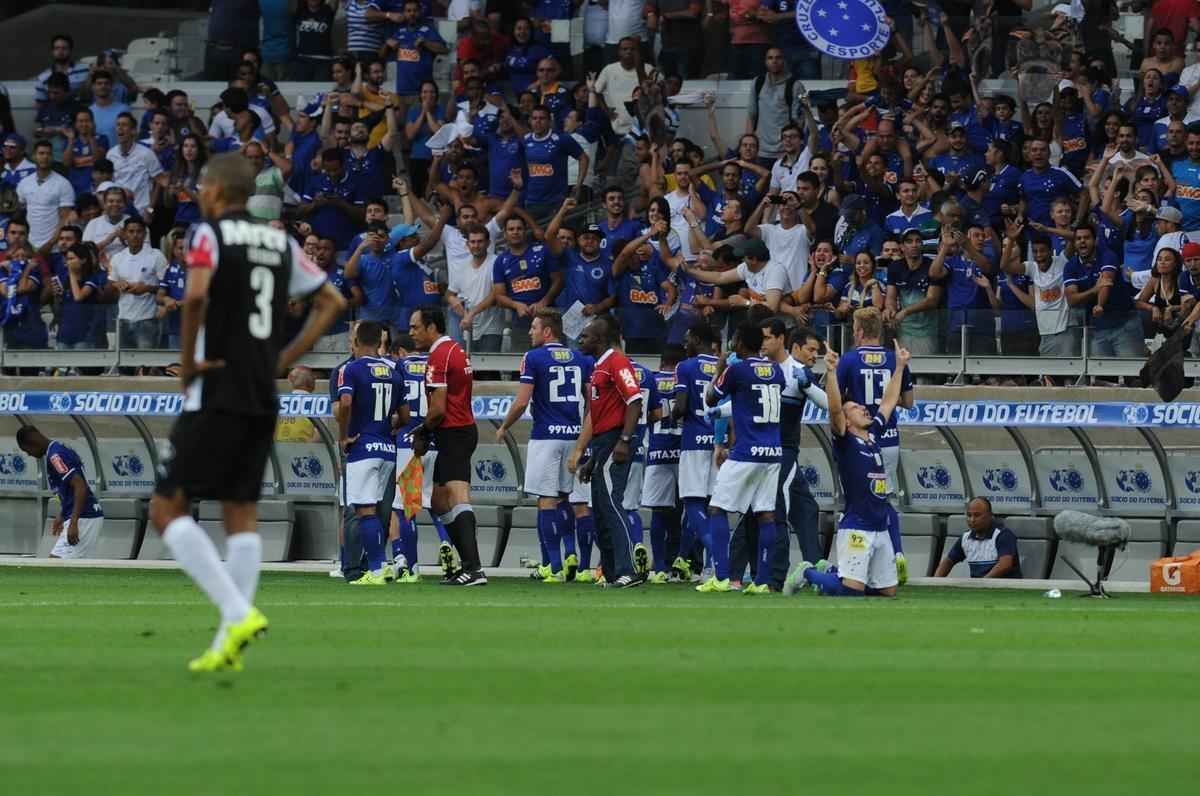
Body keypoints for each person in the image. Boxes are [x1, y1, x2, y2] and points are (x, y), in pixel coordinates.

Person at [147, 153, 345, 673]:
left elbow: (193, 300)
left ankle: (237, 611)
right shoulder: (279, 242)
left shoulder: (210, 235)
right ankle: (226, 643)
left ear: (216, 190)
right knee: (240, 510)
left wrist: (188, 363)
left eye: (201, 186)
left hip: (216, 385)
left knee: (166, 508)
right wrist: (284, 358)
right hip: (261, 387)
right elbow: (332, 301)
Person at [785, 341, 911, 597]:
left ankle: (830, 572)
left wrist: (899, 367)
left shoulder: (873, 434)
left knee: (887, 592)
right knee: (851, 590)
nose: (863, 408)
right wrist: (831, 373)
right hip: (857, 526)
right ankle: (807, 573)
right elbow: (834, 408)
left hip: (880, 526)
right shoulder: (845, 440)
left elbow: (888, 402)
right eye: (854, 407)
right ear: (846, 420)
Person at [496, 308, 591, 582]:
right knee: (569, 498)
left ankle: (554, 566)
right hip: (574, 436)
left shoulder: (533, 357)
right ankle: (573, 553)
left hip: (546, 437)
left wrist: (504, 426)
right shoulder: (580, 358)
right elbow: (590, 401)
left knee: (546, 501)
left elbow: (523, 401)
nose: (530, 331)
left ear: (547, 331)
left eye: (534, 327)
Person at [698, 322, 787, 594]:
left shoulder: (736, 370)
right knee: (766, 514)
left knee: (717, 508)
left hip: (746, 451)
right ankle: (761, 582)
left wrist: (718, 369)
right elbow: (751, 402)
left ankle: (722, 576)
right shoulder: (776, 370)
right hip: (772, 452)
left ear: (739, 342)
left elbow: (711, 398)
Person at [408, 306, 486, 586]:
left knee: (457, 495)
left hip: (453, 431)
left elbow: (438, 409)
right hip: (457, 430)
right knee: (440, 500)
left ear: (431, 327)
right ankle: (466, 565)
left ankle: (473, 568)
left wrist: (423, 431)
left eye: (415, 327)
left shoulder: (439, 356)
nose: (411, 332)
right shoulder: (454, 349)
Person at [835, 307, 914, 583]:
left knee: (857, 497)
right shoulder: (894, 358)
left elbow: (833, 400)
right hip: (887, 436)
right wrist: (900, 367)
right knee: (885, 496)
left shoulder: (847, 360)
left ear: (857, 331)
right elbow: (907, 402)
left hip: (857, 437)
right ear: (879, 330)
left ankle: (858, 563)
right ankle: (896, 553)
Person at [569, 314, 646, 588]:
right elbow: (601, 413)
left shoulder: (617, 361)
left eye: (586, 335)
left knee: (613, 504)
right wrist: (592, 457)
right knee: (600, 509)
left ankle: (628, 570)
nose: (581, 339)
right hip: (602, 442)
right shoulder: (599, 365)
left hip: (615, 439)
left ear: (600, 339)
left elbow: (634, 401)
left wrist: (624, 439)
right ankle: (612, 573)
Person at [762, 320, 828, 589]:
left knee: (805, 509)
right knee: (778, 511)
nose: (815, 356)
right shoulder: (784, 370)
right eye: (811, 350)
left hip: (781, 451)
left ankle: (814, 568)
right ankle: (775, 577)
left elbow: (822, 401)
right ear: (795, 347)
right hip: (779, 452)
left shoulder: (800, 374)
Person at [335, 321, 401, 585]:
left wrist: (344, 435)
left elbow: (346, 403)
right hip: (387, 448)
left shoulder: (350, 369)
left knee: (364, 509)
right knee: (376, 510)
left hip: (363, 447)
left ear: (357, 341)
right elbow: (403, 415)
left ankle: (375, 569)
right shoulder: (395, 371)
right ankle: (379, 565)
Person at [670, 321, 721, 581]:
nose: (685, 343)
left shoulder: (685, 367)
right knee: (714, 504)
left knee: (692, 502)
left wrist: (672, 416)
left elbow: (680, 406)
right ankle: (712, 566)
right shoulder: (724, 366)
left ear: (698, 340)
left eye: (688, 338)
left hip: (693, 442)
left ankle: (718, 556)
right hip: (718, 442)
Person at [15, 427, 103, 559]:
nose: (29, 454)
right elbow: (70, 487)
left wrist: (74, 522)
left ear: (33, 442)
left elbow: (80, 486)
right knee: (72, 569)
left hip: (84, 517)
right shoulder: (57, 449)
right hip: (84, 515)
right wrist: (63, 514)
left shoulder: (55, 456)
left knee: (54, 566)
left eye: (26, 450)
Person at [641, 344, 684, 582]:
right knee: (683, 510)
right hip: (684, 451)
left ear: (661, 363)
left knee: (658, 511)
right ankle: (680, 562)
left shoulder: (652, 380)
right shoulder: (685, 379)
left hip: (657, 450)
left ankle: (660, 568)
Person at [109, 216, 167, 353]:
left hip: (148, 319)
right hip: (123, 318)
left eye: (139, 231)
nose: (135, 235)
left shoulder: (156, 255)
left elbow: (167, 286)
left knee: (145, 365)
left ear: (145, 234)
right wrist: (118, 285)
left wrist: (147, 288)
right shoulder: (117, 258)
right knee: (124, 367)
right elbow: (110, 284)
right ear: (124, 234)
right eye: (131, 231)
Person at [934, 498, 1023, 578]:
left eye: (977, 515)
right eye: (969, 515)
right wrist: (935, 582)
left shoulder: (1003, 535)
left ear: (990, 516)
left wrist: (982, 583)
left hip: (1005, 589)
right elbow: (948, 562)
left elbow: (1005, 565)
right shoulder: (966, 537)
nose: (972, 520)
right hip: (978, 589)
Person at [16, 140, 75, 249]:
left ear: (52, 157)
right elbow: (19, 213)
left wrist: (50, 243)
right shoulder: (24, 183)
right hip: (29, 245)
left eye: (48, 154)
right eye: (41, 153)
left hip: (54, 247)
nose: (45, 157)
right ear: (34, 156)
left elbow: (65, 219)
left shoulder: (63, 184)